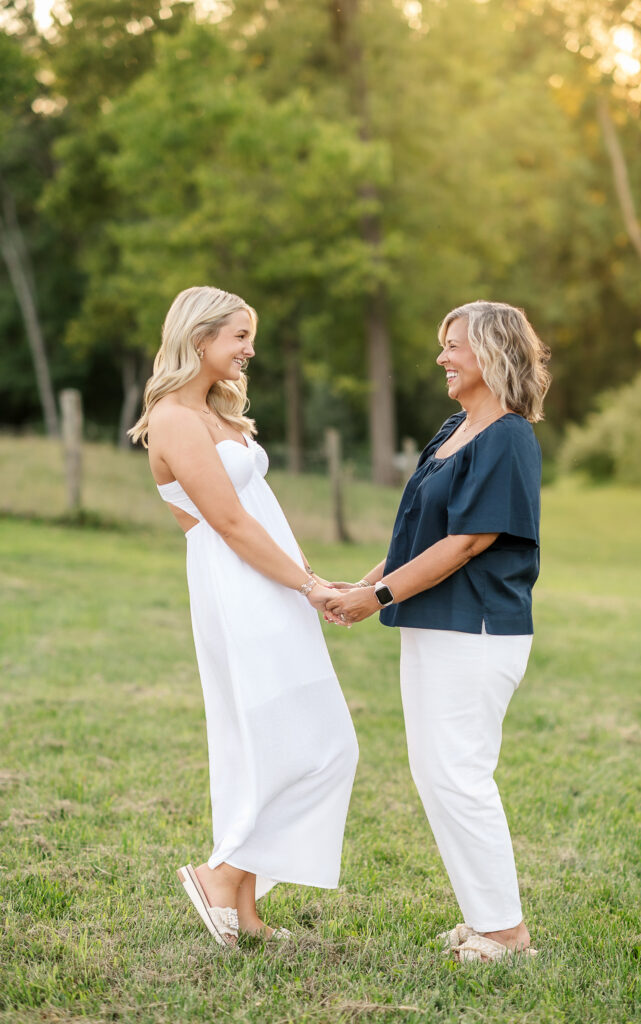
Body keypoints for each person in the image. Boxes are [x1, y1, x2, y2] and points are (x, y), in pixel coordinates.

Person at [130, 286, 358, 948]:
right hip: (242, 588)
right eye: (238, 336)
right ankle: (219, 874)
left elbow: (252, 512)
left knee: (273, 741)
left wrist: (299, 578)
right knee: (320, 745)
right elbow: (224, 523)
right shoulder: (174, 417)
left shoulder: (213, 414)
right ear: (198, 340)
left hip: (269, 583)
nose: (249, 349)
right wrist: (309, 585)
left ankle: (247, 912)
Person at [327, 300, 550, 962]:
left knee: (458, 773)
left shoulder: (507, 435)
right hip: (430, 624)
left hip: (476, 629)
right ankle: (487, 919)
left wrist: (379, 596)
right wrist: (362, 584)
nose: (440, 357)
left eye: (453, 345)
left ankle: (506, 934)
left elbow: (466, 542)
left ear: (492, 352)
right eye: (440, 345)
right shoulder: (454, 427)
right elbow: (415, 536)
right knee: (436, 773)